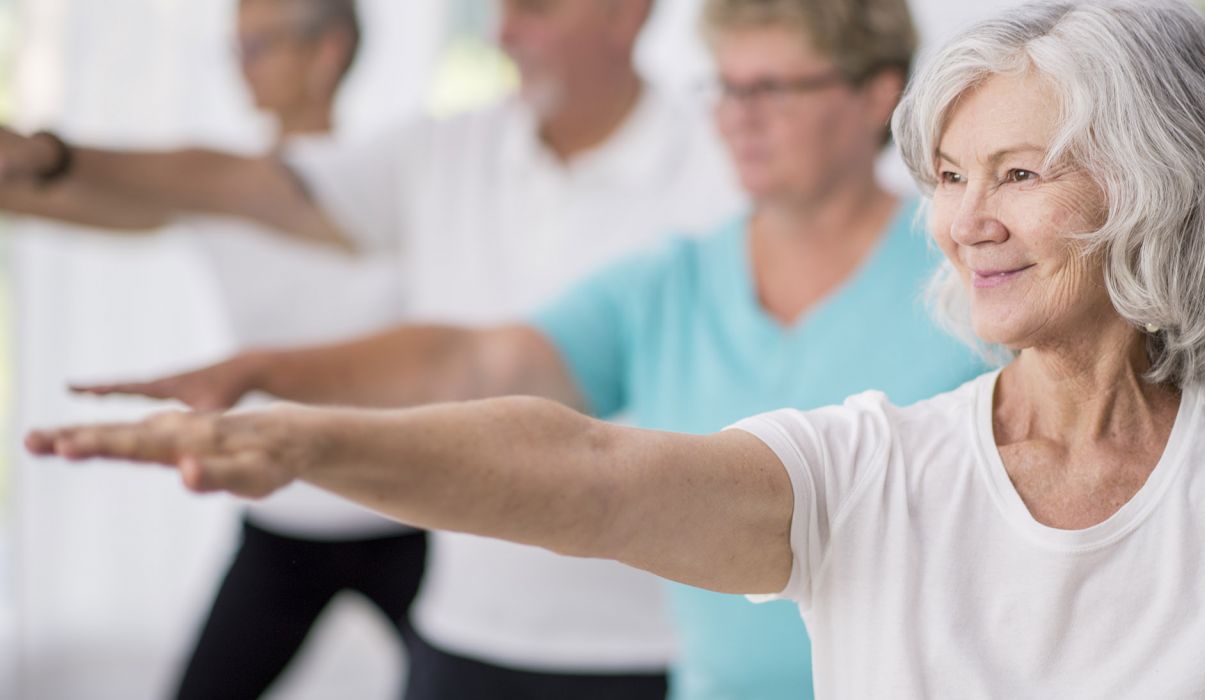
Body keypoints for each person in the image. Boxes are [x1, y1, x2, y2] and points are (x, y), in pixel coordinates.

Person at [25, 0, 1205, 697]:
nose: (967, 222)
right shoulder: (873, 467)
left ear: (1156, 191)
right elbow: (577, 465)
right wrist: (309, 434)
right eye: (952, 178)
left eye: (1022, 174)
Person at [53, 0, 978, 696]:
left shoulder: (970, 276)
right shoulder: (672, 279)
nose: (737, 115)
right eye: (726, 87)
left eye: (770, 88)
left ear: (875, 96)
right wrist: (273, 384)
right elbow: (480, 364)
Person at [1, 3, 427, 699]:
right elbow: (48, 197)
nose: (242, 67)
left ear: (328, 51)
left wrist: (47, 153)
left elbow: (225, 181)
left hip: (404, 513)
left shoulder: (397, 176)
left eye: (258, 46)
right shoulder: (210, 187)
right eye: (235, 48)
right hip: (282, 515)